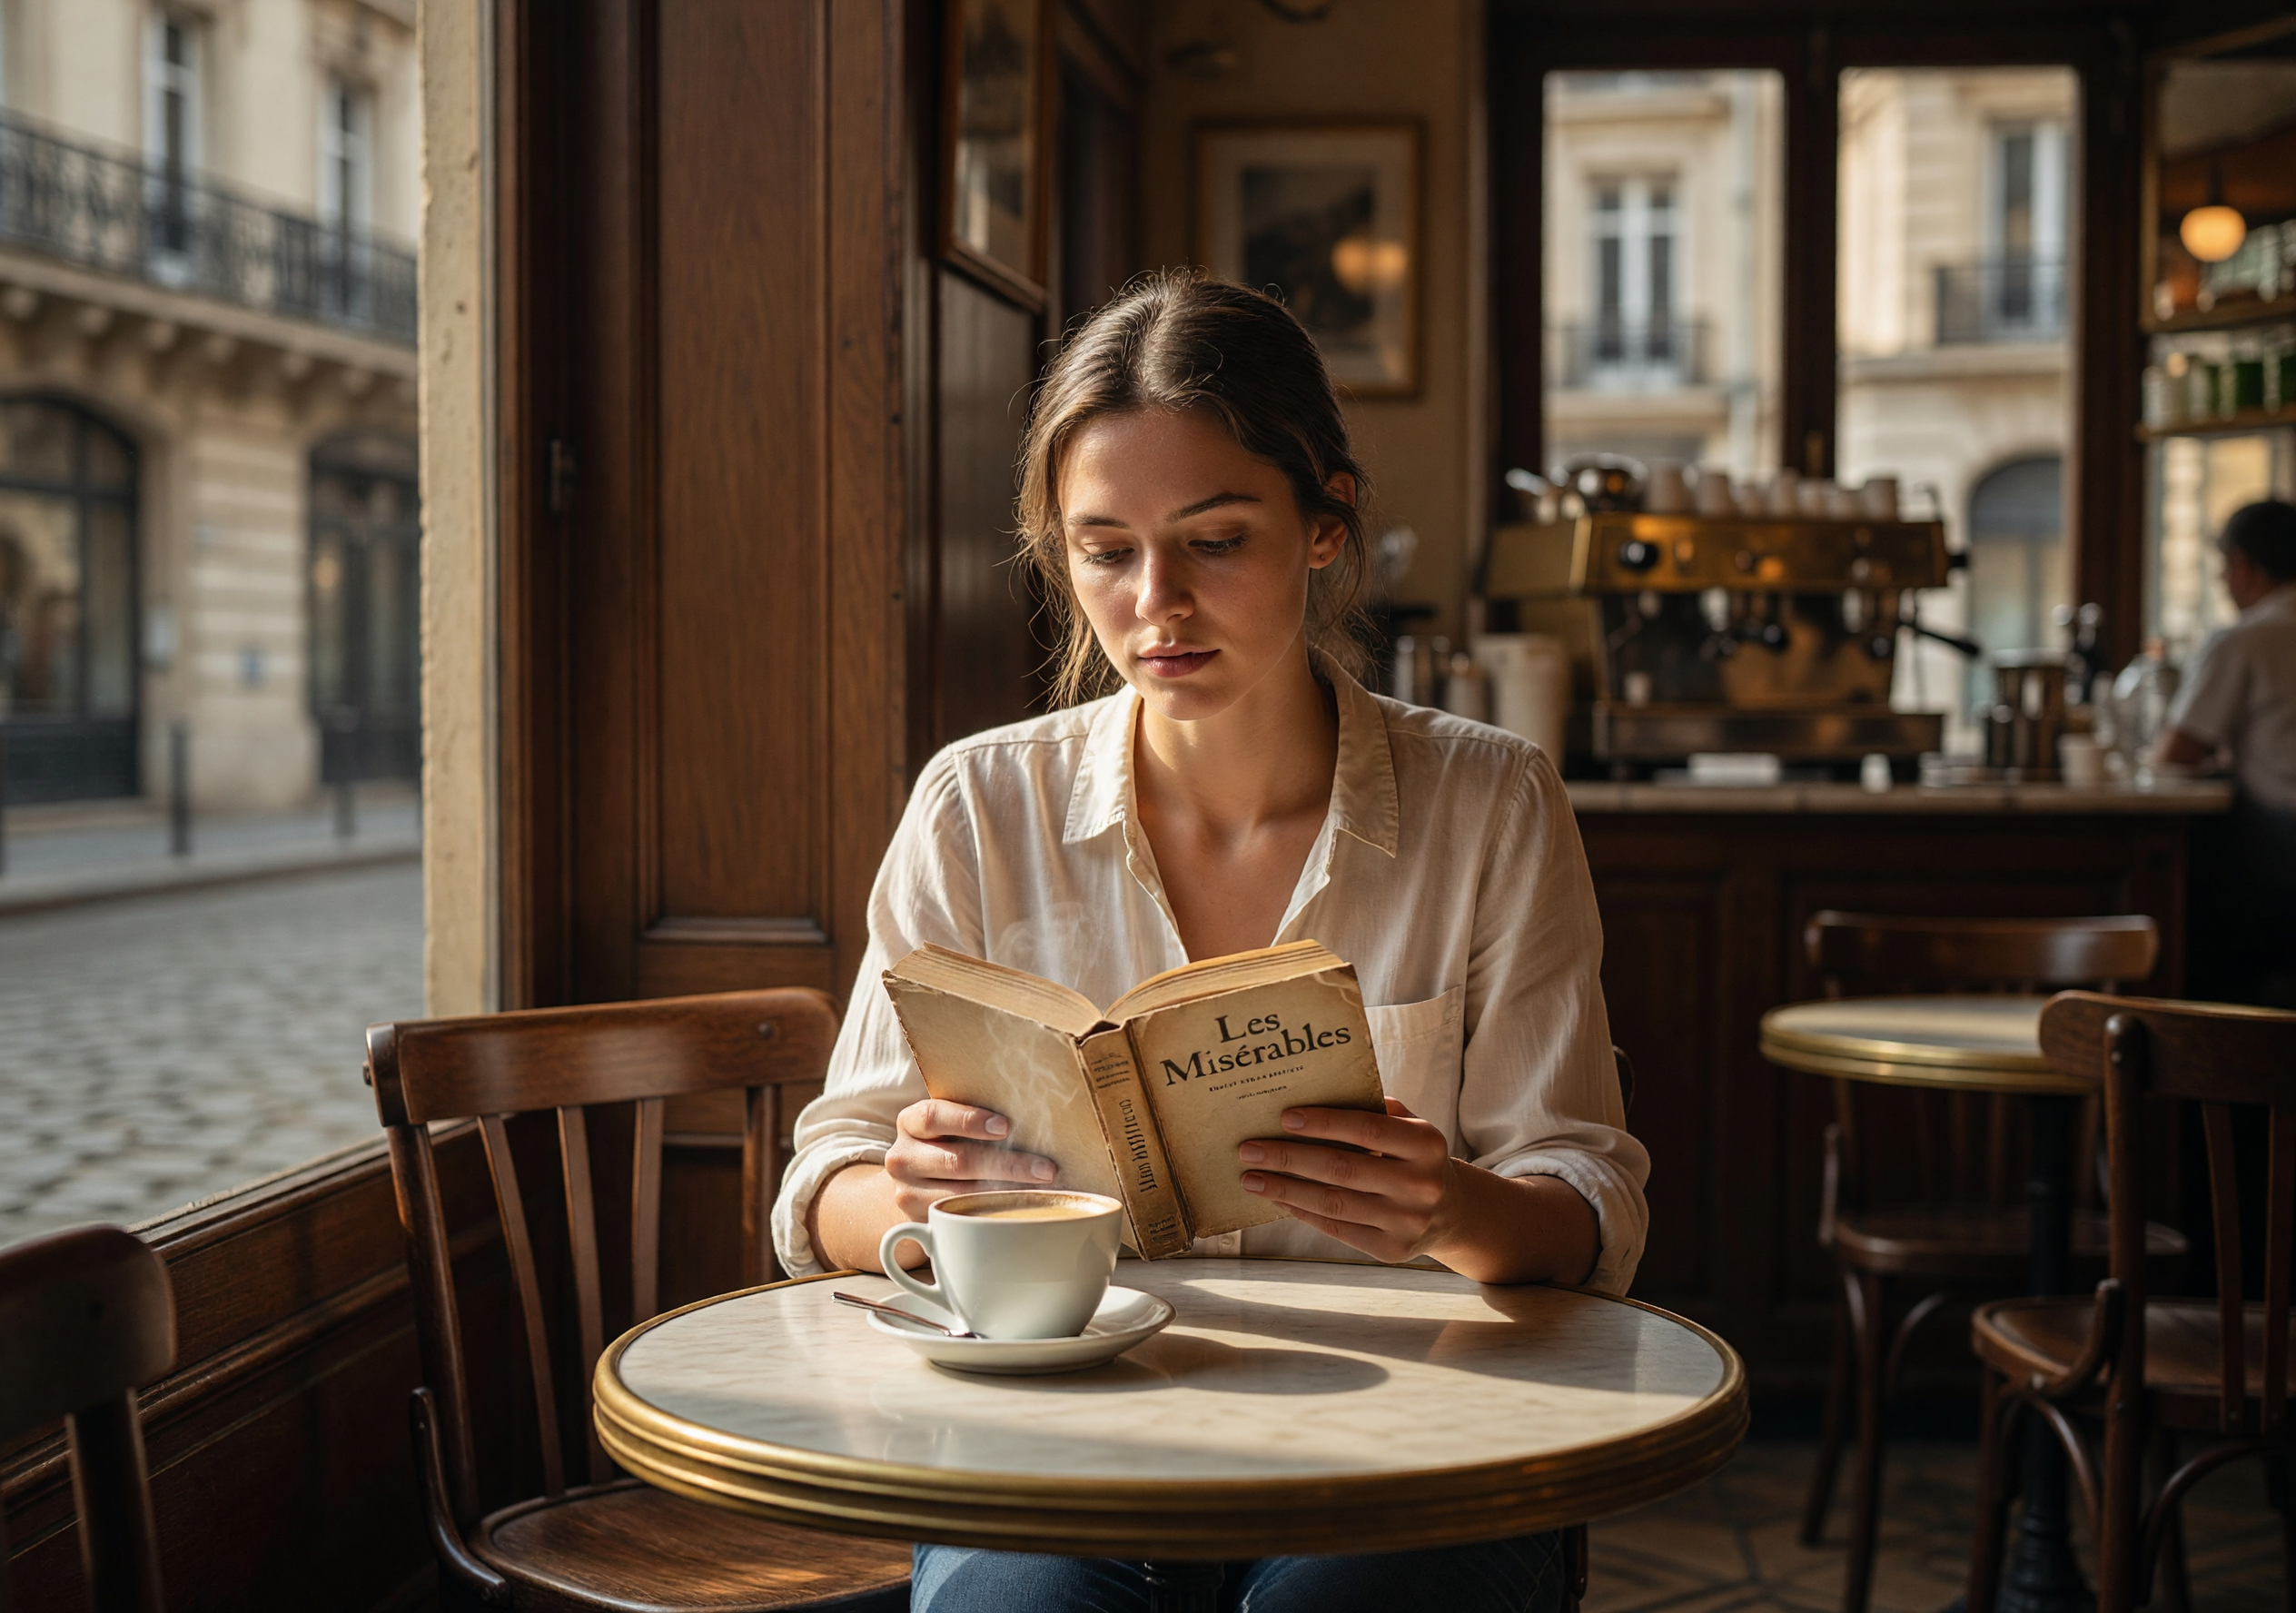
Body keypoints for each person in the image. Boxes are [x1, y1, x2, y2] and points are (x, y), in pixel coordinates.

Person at [770, 270, 1648, 1612]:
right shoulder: (977, 806)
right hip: (1055, 1442)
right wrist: (916, 1199)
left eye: (1215, 539)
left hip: (1405, 1443)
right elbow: (823, 1183)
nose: (1155, 604)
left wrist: (1455, 1208)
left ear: (1323, 523)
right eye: (1105, 549)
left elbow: (1586, 1197)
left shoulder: (1492, 799)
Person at [2161, 498, 2296, 1008]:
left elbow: (2175, 755)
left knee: (2174, 895)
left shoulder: (2246, 639)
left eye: (2223, 567)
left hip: (2281, 864)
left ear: (2242, 564)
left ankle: (2204, 1054)